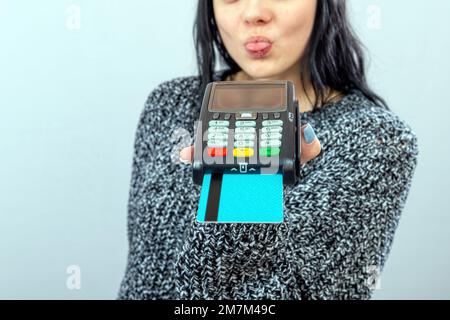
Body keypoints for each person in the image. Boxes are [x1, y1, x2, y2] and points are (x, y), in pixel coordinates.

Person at [118, 0, 419, 299]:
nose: (254, 14)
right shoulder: (169, 105)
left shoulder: (375, 140)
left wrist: (244, 180)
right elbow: (138, 276)